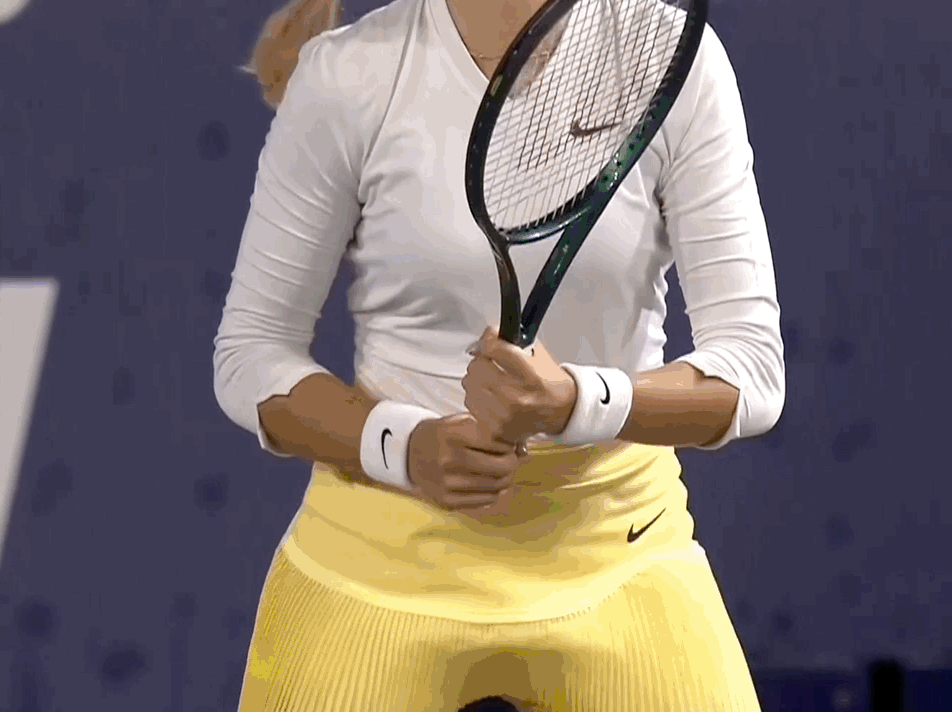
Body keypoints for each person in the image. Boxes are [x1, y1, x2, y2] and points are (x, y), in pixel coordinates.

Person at [212, 0, 784, 708]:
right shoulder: (348, 73)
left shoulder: (675, 58)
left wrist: (578, 403)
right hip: (376, 554)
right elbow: (251, 353)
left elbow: (752, 370)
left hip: (622, 547)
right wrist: (404, 446)